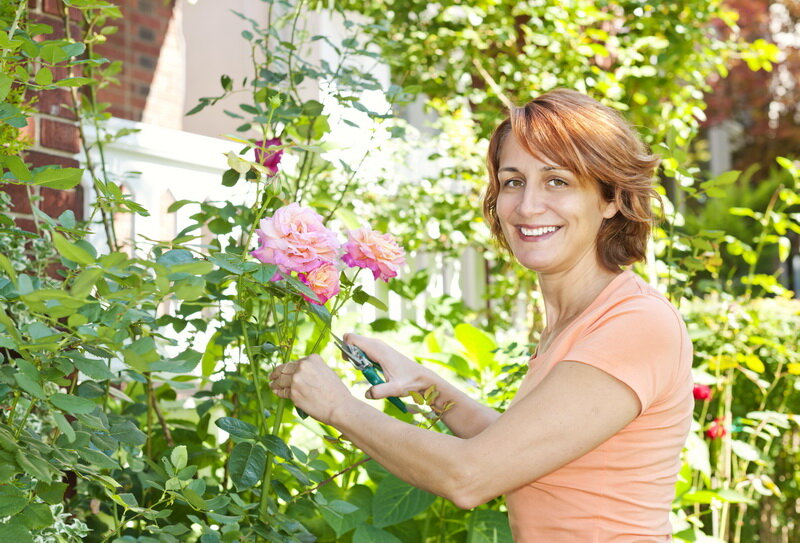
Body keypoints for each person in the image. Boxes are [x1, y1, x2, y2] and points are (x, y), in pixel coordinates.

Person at [269, 88, 693, 542]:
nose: (528, 205)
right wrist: (428, 386)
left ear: (610, 198)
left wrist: (338, 407)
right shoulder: (578, 320)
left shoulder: (636, 325)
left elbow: (470, 476)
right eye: (513, 181)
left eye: (557, 181)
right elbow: (521, 449)